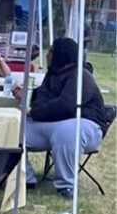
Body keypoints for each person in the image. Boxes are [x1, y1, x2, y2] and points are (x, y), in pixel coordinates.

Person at [19, 37, 108, 198]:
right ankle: (25, 178)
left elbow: (65, 105)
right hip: (51, 124)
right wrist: (27, 96)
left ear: (61, 55)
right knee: (14, 127)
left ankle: (65, 185)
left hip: (86, 125)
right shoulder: (51, 75)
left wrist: (33, 112)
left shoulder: (81, 76)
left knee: (67, 131)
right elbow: (43, 101)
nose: (47, 56)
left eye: (51, 52)